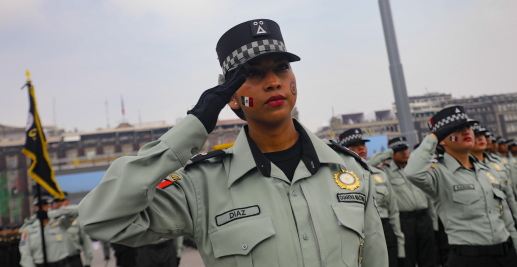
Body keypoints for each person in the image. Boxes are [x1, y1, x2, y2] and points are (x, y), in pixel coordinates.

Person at [78, 19, 388, 267]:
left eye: (281, 67)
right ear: (233, 98)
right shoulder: (202, 187)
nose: (273, 82)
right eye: (253, 73)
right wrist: (192, 127)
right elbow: (99, 218)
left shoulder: (350, 172)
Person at [405, 105, 517, 267]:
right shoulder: (439, 174)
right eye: (457, 129)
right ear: (442, 139)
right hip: (470, 260)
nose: (466, 132)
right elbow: (413, 173)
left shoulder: (486, 172)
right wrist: (434, 136)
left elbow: (508, 225)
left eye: (468, 127)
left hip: (508, 256)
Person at [339, 128, 405, 267]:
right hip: (357, 231)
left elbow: (393, 211)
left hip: (385, 229)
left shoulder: (378, 174)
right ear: (343, 149)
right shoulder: (339, 178)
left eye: (363, 143)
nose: (361, 147)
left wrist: (400, 243)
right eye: (354, 145)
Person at [469, 125, 517, 254]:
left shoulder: (497, 163)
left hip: (507, 208)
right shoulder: (465, 167)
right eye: (476, 136)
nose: (485, 139)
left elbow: (509, 195)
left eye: (484, 136)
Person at [368, 137, 435, 267]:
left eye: (405, 148)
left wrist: (434, 223)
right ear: (392, 154)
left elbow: (428, 197)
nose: (404, 152)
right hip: (405, 221)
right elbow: (370, 163)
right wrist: (391, 151)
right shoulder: (386, 171)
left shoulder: (415, 170)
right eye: (400, 150)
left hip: (424, 218)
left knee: (429, 259)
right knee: (408, 260)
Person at [19, 193, 79, 267]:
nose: (48, 206)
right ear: (36, 207)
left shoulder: (61, 222)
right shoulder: (27, 228)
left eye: (49, 203)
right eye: (42, 204)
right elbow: (25, 255)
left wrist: (50, 214)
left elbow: (78, 209)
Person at [54, 192, 93, 267]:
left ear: (68, 202)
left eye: (61, 201)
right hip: (58, 261)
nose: (59, 203)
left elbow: (85, 241)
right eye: (56, 201)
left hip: (74, 260)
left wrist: (88, 262)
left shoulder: (77, 220)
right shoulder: (51, 221)